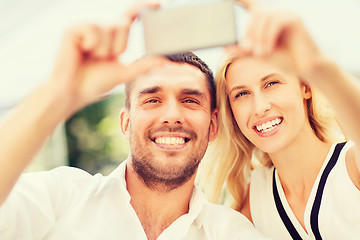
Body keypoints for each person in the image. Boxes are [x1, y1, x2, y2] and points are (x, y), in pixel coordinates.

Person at [0, 2, 268, 240]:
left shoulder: (231, 232)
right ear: (126, 123)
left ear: (213, 126)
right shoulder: (61, 197)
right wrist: (58, 94)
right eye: (152, 100)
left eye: (190, 100)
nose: (172, 115)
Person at [201, 0, 360, 239]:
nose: (260, 107)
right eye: (242, 94)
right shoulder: (255, 198)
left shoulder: (350, 166)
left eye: (272, 83)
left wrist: (317, 64)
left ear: (305, 87)